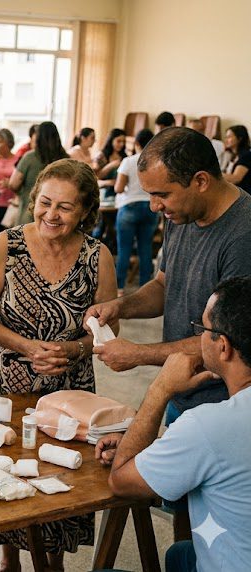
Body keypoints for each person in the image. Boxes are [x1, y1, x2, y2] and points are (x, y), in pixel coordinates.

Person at [85, 127, 251, 540]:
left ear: (200, 180)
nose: (155, 206)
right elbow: (163, 285)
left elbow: (225, 338)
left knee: (216, 529)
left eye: (163, 194)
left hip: (224, 401)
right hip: (183, 389)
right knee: (183, 519)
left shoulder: (243, 235)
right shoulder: (182, 215)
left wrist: (138, 354)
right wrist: (121, 304)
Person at [0, 159, 116, 572]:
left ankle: (52, 560)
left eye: (65, 208)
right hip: (8, 383)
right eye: (45, 203)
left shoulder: (96, 256)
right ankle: (9, 558)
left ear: (86, 211)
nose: (51, 215)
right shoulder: (7, 244)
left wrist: (74, 351)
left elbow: (106, 332)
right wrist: (28, 347)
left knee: (63, 474)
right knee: (8, 469)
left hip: (70, 389)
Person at [95, 276, 251, 572]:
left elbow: (121, 481)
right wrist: (158, 451)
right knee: (181, 554)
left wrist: (161, 388)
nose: (199, 337)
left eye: (203, 329)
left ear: (224, 348)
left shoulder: (208, 425)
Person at [114, 129, 158, 295]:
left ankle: (119, 288)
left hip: (129, 206)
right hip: (150, 207)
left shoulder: (128, 161)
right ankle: (145, 288)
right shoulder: (155, 162)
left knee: (124, 248)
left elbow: (118, 188)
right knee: (145, 248)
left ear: (137, 143)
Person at [9, 121, 69, 225]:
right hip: (57, 217)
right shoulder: (66, 160)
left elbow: (13, 184)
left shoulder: (29, 157)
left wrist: (22, 192)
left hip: (29, 213)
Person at [0, 129, 17, 233]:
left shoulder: (18, 160)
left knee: (10, 240)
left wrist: (10, 183)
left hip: (11, 206)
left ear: (9, 143)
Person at [221, 125, 251, 194]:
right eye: (226, 137)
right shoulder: (232, 155)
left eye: (229, 137)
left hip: (244, 195)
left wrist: (214, 174)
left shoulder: (246, 155)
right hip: (234, 192)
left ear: (240, 138)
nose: (226, 140)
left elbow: (236, 178)